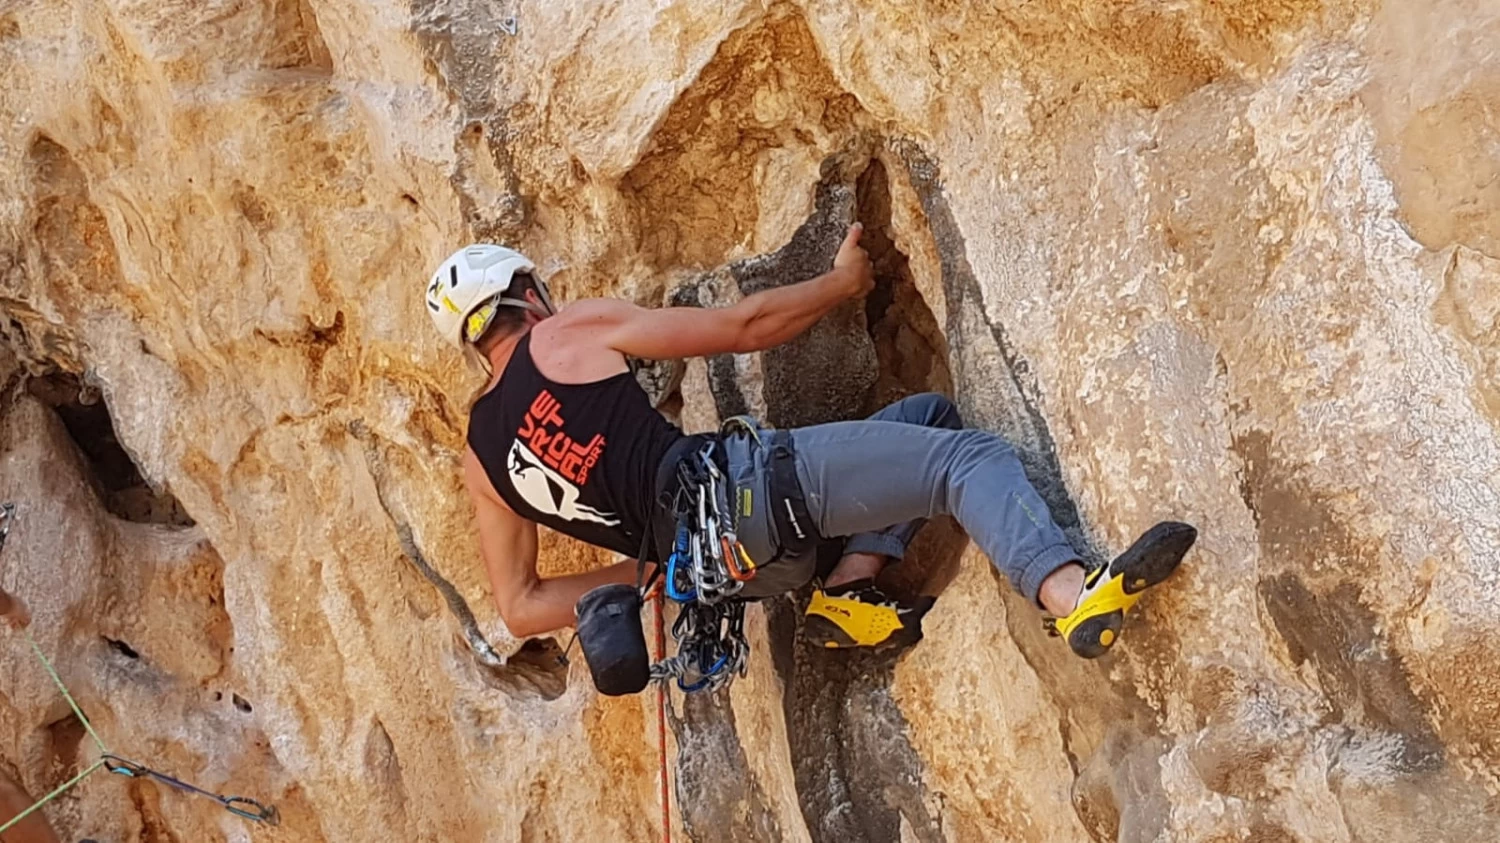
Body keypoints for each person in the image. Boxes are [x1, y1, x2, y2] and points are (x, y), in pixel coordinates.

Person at [431, 224, 1195, 663]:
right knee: (970, 460)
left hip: (734, 576)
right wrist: (841, 283)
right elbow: (744, 327)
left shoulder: (480, 462)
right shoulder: (562, 335)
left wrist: (658, 574)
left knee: (927, 416)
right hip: (747, 496)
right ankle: (1070, 595)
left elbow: (521, 606)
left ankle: (847, 591)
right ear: (526, 295)